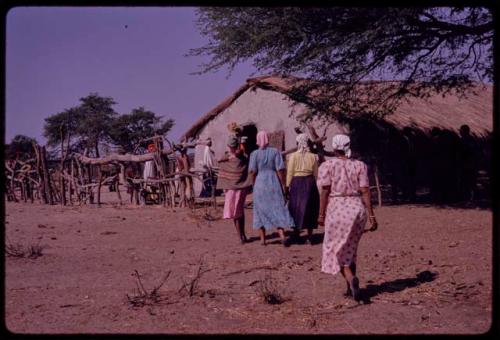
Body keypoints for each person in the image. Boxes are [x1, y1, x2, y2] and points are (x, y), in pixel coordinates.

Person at [317, 134, 378, 301]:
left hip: (337, 209)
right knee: (350, 249)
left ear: (334, 147)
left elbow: (325, 191)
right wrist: (371, 215)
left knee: (335, 250)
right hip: (357, 209)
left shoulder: (327, 165)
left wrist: (321, 214)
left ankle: (351, 279)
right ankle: (350, 287)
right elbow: (365, 191)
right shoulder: (360, 165)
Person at [249, 131, 295, 246]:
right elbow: (280, 169)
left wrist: (254, 184)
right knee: (277, 208)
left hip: (260, 182)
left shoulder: (254, 154)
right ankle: (282, 235)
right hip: (273, 181)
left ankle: (263, 240)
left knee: (260, 210)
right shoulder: (275, 152)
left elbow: (252, 171)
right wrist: (283, 185)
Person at [217, 135, 253, 244]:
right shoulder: (243, 157)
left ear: (228, 146)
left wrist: (227, 158)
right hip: (241, 189)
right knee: (240, 211)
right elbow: (246, 164)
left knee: (235, 213)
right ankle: (243, 235)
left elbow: (219, 161)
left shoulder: (227, 157)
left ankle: (239, 236)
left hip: (231, 189)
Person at [286, 133, 320, 245]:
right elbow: (316, 173)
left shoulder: (293, 156)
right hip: (309, 183)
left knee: (296, 208)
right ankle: (309, 237)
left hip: (296, 183)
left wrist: (287, 186)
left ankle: (297, 233)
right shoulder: (313, 157)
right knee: (310, 208)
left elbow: (290, 172)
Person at [457, 124, 478, 202]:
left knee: (469, 182)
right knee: (465, 182)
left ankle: (470, 198)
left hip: (468, 165)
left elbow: (471, 152)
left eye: (461, 131)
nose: (460, 132)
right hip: (466, 165)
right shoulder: (464, 140)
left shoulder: (469, 140)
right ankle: (466, 198)